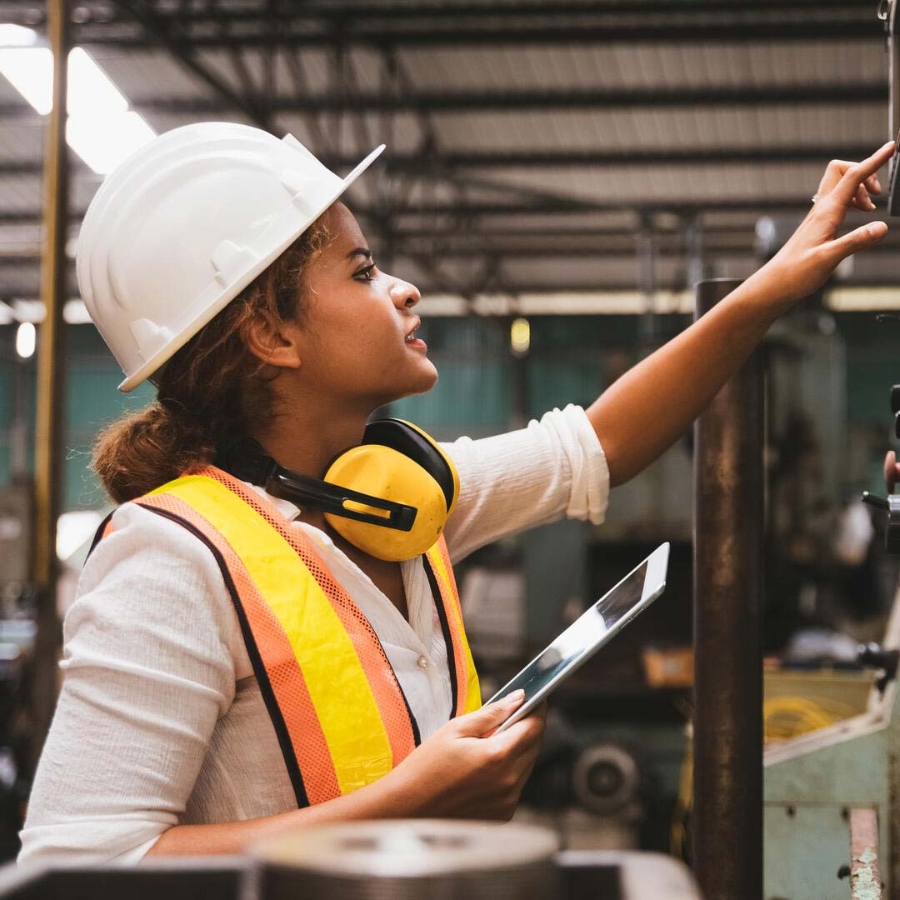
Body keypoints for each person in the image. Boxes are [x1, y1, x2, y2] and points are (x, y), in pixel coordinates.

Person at [17, 122, 895, 865]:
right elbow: (80, 865)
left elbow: (598, 443)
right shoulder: (169, 557)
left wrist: (775, 282)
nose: (403, 288)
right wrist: (406, 804)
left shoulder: (403, 500)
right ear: (269, 332)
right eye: (361, 273)